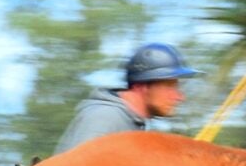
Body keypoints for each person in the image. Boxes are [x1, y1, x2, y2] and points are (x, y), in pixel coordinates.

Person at [53, 42, 200, 154]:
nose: (180, 97)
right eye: (170, 86)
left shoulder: (131, 123)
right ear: (141, 86)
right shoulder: (106, 118)